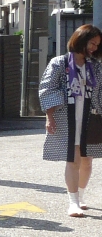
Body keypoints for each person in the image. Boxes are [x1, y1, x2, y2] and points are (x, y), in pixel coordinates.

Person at [38, 24, 102, 217]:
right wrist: (49, 117)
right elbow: (47, 88)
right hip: (67, 116)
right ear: (81, 40)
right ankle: (72, 201)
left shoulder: (96, 66)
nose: (94, 48)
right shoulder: (59, 63)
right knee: (73, 159)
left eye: (97, 45)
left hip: (91, 115)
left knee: (87, 160)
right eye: (92, 43)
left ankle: (81, 196)